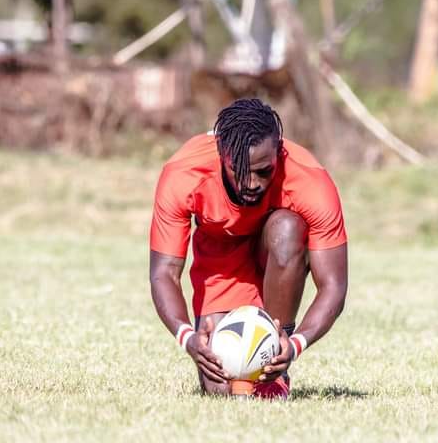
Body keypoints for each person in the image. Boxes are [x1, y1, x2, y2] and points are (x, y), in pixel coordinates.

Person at [149, 98, 348, 399]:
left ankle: (274, 367)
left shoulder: (310, 180)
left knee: (286, 228)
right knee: (221, 384)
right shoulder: (184, 173)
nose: (252, 183)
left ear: (278, 153)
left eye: (264, 171)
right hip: (220, 266)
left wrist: (293, 345)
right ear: (221, 156)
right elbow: (164, 273)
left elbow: (333, 285)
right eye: (240, 171)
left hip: (275, 258)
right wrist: (188, 337)